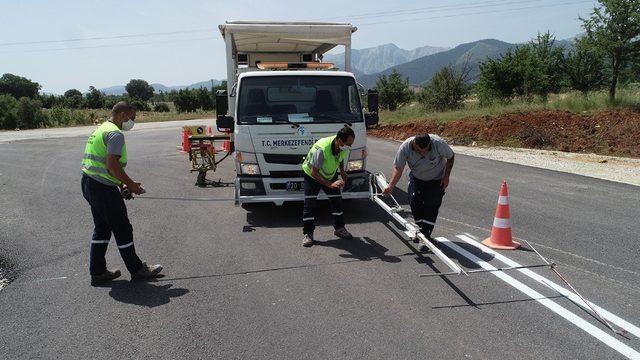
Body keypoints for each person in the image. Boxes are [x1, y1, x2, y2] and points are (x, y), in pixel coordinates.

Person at [80, 101, 162, 286]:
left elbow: (105, 168)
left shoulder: (102, 128)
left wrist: (120, 185)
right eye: (132, 118)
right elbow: (112, 165)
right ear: (123, 115)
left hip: (89, 183)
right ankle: (137, 269)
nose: (133, 122)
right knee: (123, 228)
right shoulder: (115, 134)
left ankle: (98, 271)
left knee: (102, 228)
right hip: (102, 188)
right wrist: (131, 185)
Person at [382, 133, 454, 250]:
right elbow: (398, 168)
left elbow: (451, 156)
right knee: (415, 202)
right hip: (417, 178)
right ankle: (421, 230)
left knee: (432, 205)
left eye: (426, 150)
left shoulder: (438, 143)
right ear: (414, 144)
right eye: (420, 151)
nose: (423, 153)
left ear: (430, 144)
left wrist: (446, 176)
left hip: (437, 179)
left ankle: (425, 236)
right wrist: (391, 186)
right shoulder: (405, 147)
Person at [300, 127, 355, 247]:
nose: (349, 147)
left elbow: (339, 157)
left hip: (330, 174)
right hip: (312, 176)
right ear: (339, 141)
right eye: (348, 144)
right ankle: (308, 234)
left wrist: (342, 171)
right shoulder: (322, 149)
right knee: (309, 204)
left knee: (337, 201)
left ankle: (339, 228)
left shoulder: (342, 147)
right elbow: (315, 173)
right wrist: (330, 184)